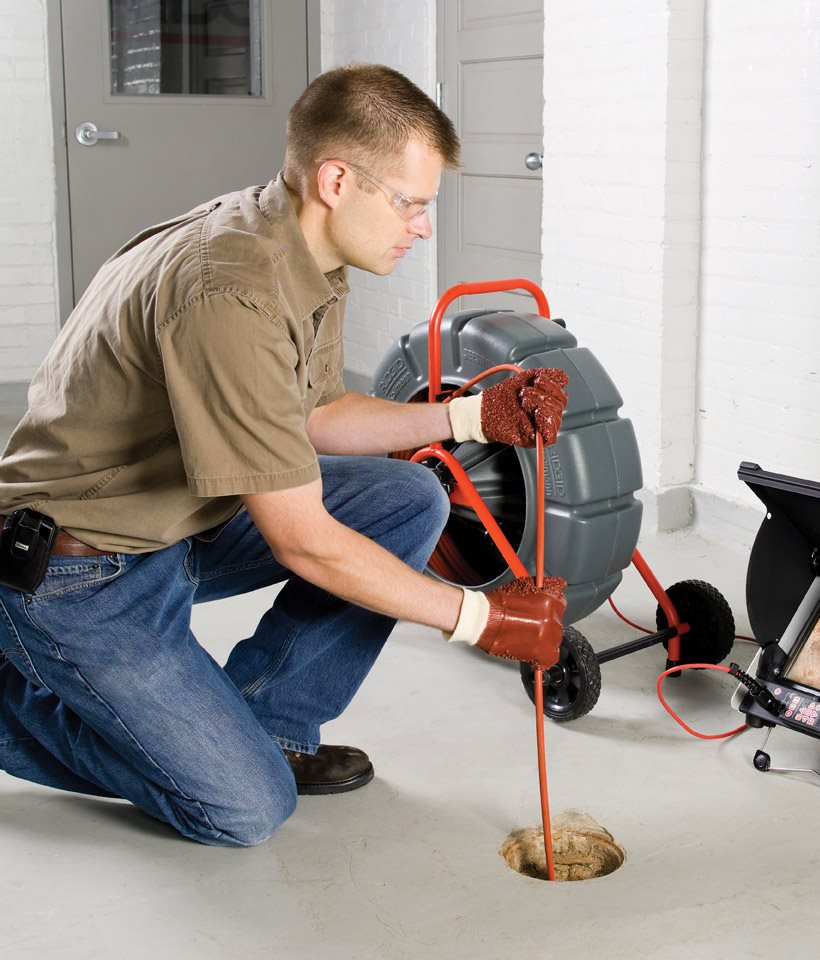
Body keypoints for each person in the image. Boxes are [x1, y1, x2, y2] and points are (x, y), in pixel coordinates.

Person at [0, 64, 568, 847]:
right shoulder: (230, 288)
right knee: (243, 807)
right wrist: (481, 617)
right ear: (338, 181)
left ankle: (271, 725)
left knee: (409, 499)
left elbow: (318, 414)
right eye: (411, 203)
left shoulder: (304, 249)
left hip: (177, 519)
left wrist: (469, 416)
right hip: (78, 571)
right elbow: (303, 541)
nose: (423, 228)